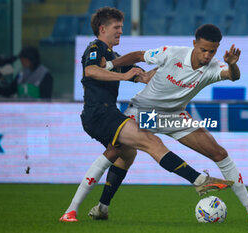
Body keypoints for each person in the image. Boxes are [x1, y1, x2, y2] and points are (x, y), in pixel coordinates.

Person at [59, 8, 232, 222]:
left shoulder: (113, 56)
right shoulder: (96, 48)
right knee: (150, 140)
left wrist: (148, 76)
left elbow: (137, 75)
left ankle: (90, 209)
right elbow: (91, 71)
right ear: (102, 29)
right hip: (99, 114)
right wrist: (124, 77)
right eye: (117, 27)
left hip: (105, 113)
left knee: (120, 155)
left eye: (121, 27)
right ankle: (198, 180)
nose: (121, 31)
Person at [89, 24, 248, 223]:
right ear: (194, 44)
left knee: (219, 153)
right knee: (123, 155)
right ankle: (101, 207)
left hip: (174, 117)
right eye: (203, 50)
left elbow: (233, 76)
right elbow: (139, 56)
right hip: (143, 112)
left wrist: (233, 64)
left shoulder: (214, 66)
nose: (207, 55)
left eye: (212, 51)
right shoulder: (171, 53)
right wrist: (110, 66)